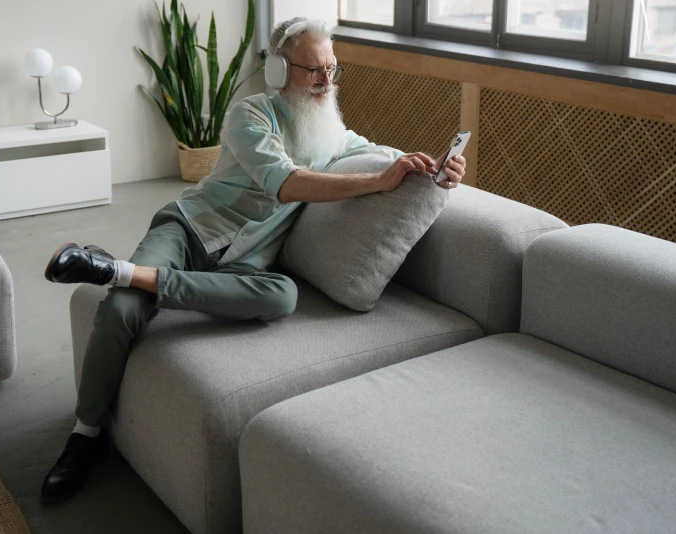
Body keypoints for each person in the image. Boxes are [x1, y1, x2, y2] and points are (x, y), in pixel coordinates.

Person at [39, 16, 466, 502]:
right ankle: (83, 437)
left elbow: (386, 158)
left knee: (282, 297)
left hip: (248, 260)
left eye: (332, 70)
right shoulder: (250, 115)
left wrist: (436, 169)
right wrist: (377, 181)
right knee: (120, 309)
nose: (327, 82)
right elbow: (284, 183)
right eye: (313, 71)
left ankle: (115, 269)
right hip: (190, 229)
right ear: (280, 71)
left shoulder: (336, 135)